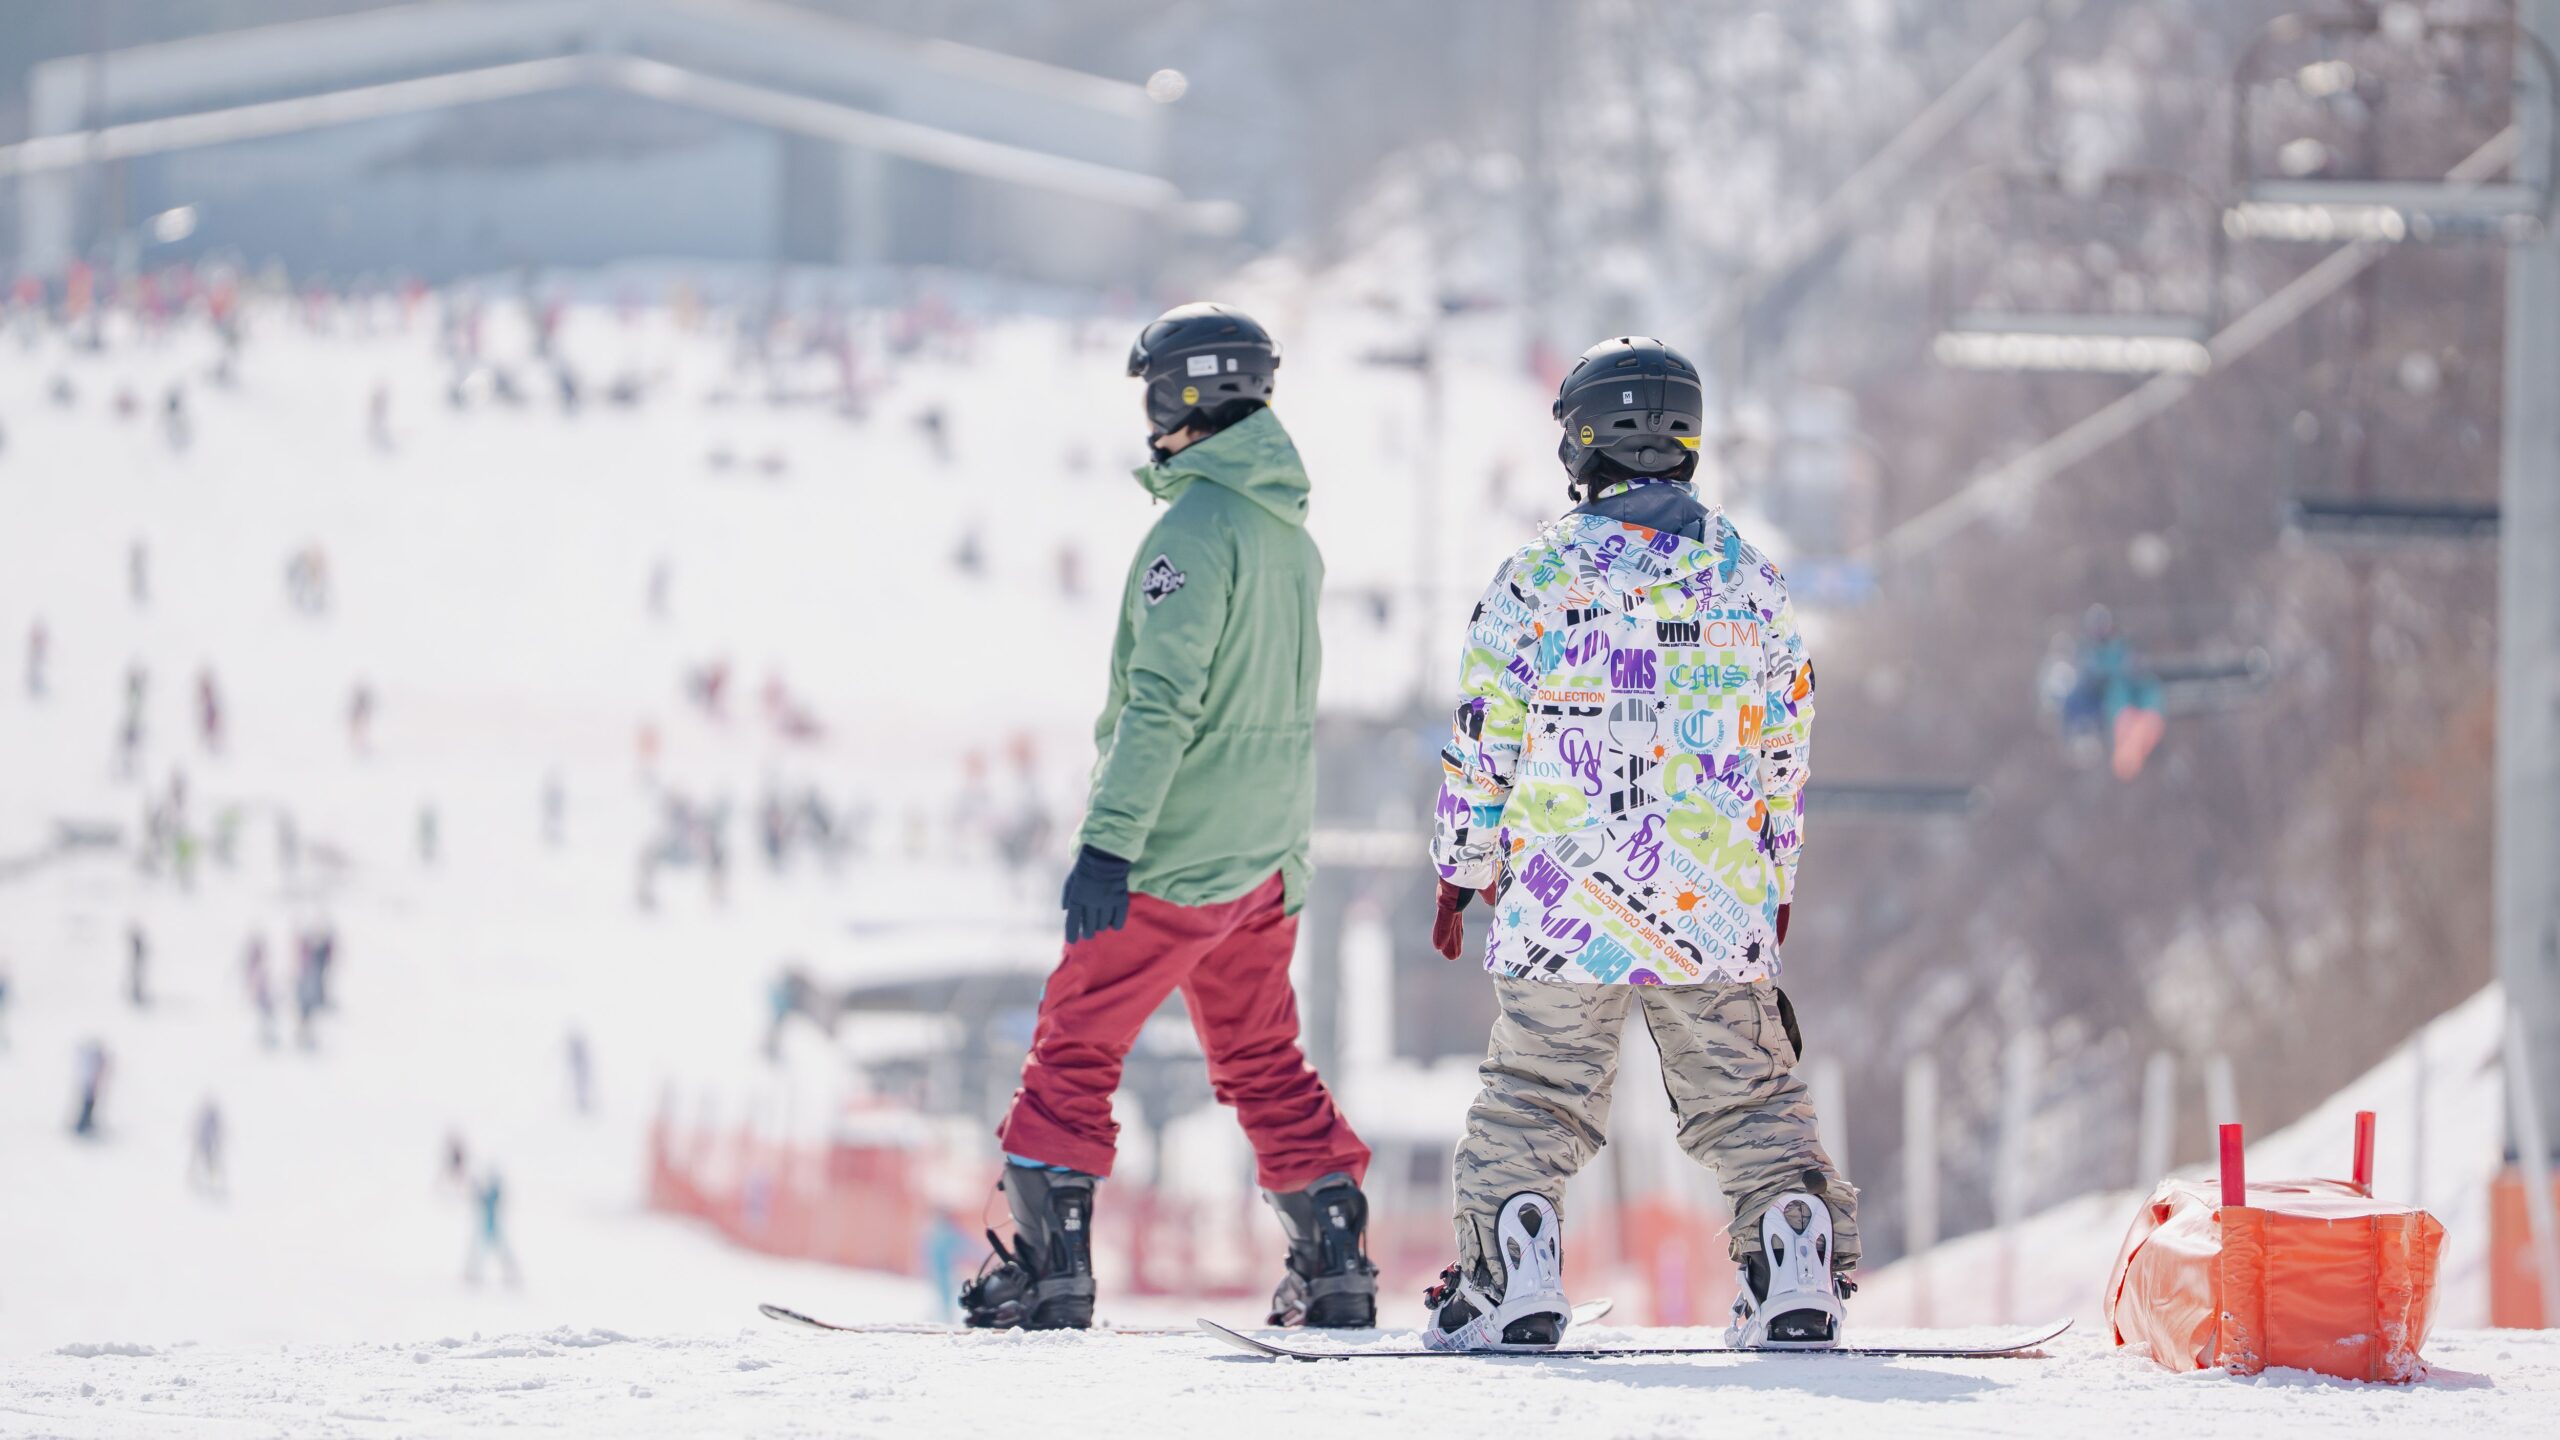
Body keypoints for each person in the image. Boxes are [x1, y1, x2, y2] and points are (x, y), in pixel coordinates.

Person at [1420, 336, 1859, 1352]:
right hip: (1708, 893)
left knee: (1536, 1091)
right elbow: (1785, 748)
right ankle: (1789, 1248)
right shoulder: (1749, 580)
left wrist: (1462, 869)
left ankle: (1509, 1264)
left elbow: (1484, 735)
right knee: (1746, 1093)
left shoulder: (1533, 575)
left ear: (1578, 443)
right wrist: (1773, 879)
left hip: (1563, 901)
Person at [965, 304, 1374, 1333]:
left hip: (1176, 852)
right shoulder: (1287, 534)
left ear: (1184, 395)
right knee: (1259, 1054)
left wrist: (1108, 843)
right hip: (1265, 855)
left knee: (1075, 1044)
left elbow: (1162, 702)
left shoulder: (1191, 533)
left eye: (1153, 391)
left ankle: (1047, 1269)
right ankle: (1331, 1257)